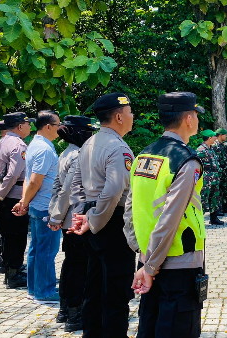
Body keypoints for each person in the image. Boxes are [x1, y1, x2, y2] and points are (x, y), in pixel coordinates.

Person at [124, 92, 207, 338]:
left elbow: (130, 208)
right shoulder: (186, 161)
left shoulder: (143, 155)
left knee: (150, 324)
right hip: (177, 260)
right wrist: (150, 267)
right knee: (178, 327)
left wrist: (142, 254)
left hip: (149, 257)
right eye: (196, 115)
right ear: (189, 119)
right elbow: (170, 218)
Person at [69, 93, 136, 337]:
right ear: (118, 116)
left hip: (93, 217)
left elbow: (75, 182)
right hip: (110, 222)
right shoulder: (118, 147)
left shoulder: (90, 142)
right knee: (116, 289)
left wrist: (82, 214)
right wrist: (95, 220)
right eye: (129, 112)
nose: (132, 116)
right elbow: (114, 190)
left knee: (94, 285)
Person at [48, 115, 97, 331]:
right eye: (88, 131)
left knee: (70, 265)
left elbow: (57, 187)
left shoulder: (66, 153)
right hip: (77, 220)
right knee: (79, 268)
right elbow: (67, 190)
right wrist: (57, 216)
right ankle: (75, 313)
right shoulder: (78, 155)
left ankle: (65, 308)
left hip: (69, 219)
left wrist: (56, 215)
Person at [11, 111, 60, 304]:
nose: (59, 128)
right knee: (46, 250)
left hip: (38, 205)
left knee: (36, 249)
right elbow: (34, 181)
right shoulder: (44, 149)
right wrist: (24, 202)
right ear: (48, 126)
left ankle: (35, 288)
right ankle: (44, 292)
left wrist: (25, 201)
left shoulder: (35, 145)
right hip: (45, 206)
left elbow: (30, 179)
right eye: (57, 125)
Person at [0, 112, 34, 289]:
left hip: (4, 195)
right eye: (27, 124)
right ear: (19, 126)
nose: (30, 127)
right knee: (16, 236)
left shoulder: (1, 142)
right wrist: (1, 193)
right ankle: (13, 274)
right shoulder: (18, 145)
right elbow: (13, 174)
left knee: (8, 235)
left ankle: (10, 270)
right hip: (14, 195)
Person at [196, 130, 223, 226]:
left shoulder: (211, 148)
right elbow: (196, 165)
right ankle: (199, 220)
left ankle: (214, 218)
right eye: (214, 137)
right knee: (203, 198)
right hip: (206, 178)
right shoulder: (200, 150)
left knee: (214, 197)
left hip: (214, 177)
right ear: (209, 138)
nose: (216, 138)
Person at [0, 120, 9, 274]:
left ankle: (1, 261)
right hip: (4, 191)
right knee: (3, 229)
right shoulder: (3, 145)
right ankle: (1, 261)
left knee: (1, 227)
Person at [214, 129, 227, 215]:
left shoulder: (224, 145)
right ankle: (217, 208)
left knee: (226, 189)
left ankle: (225, 206)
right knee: (217, 190)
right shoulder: (214, 145)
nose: (226, 137)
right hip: (217, 171)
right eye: (225, 135)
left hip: (225, 171)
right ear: (220, 135)